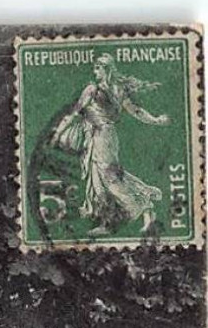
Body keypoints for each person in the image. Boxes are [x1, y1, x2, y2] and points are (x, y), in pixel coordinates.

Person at [52, 54, 171, 235]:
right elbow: (136, 111)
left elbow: (74, 113)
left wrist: (58, 133)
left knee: (108, 179)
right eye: (94, 68)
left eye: (97, 68)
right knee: (103, 177)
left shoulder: (92, 89)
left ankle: (133, 208)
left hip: (101, 136)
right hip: (104, 136)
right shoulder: (117, 90)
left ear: (106, 69)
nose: (94, 71)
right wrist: (155, 120)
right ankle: (138, 205)